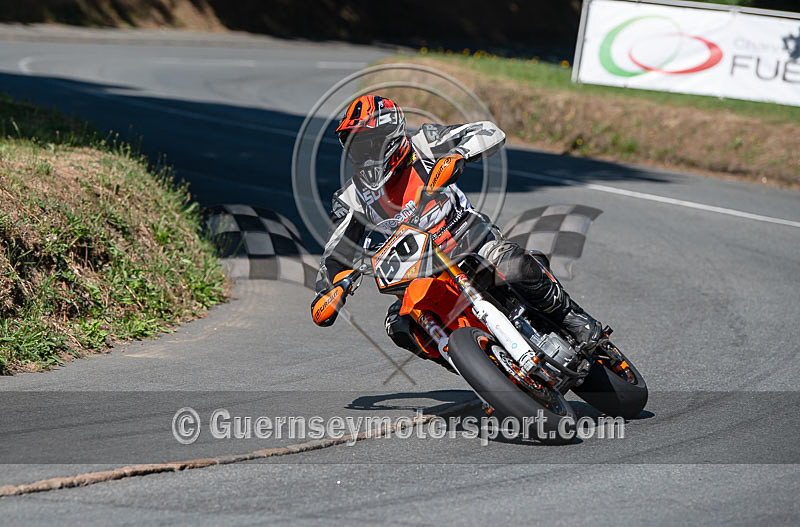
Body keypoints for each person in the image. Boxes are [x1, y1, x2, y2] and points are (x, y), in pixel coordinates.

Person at [311, 95, 602, 368]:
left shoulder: (424, 144)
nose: (364, 154)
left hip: (470, 240)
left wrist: (459, 155)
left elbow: (489, 131)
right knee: (399, 326)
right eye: (355, 146)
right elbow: (336, 253)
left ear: (391, 138)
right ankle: (481, 371)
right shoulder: (351, 198)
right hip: (420, 273)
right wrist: (334, 288)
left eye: (369, 144)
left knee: (511, 264)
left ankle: (572, 317)